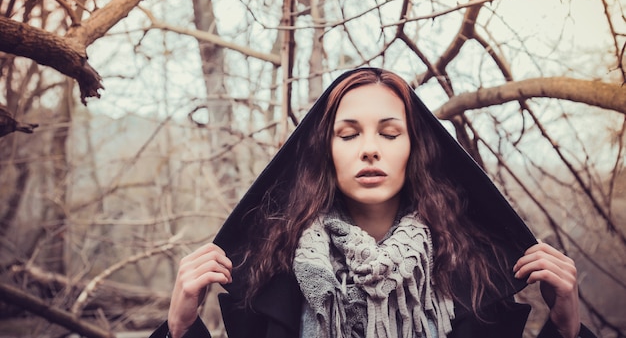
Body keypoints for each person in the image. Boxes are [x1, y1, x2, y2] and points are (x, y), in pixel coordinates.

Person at [150, 67, 595, 338]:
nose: (369, 149)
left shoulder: (473, 274)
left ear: (412, 149)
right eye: (348, 134)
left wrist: (566, 329)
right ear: (326, 151)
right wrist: (179, 330)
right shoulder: (276, 272)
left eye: (388, 133)